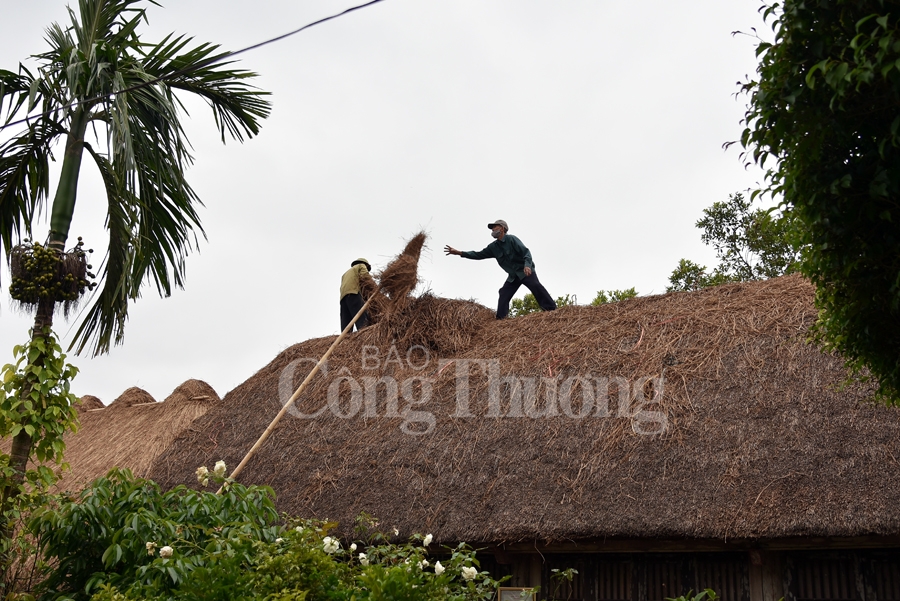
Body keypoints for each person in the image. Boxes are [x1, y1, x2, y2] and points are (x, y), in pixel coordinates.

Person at [444, 220, 557, 319]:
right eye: (492, 229)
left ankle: (552, 310)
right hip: (513, 276)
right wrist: (460, 253)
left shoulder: (512, 239)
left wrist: (527, 265)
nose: (492, 230)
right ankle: (501, 319)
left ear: (502, 229)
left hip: (524, 271)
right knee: (503, 293)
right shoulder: (493, 247)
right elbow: (478, 254)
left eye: (495, 227)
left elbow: (526, 252)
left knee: (536, 286)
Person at [340, 258, 372, 331]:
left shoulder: (345, 274)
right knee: (362, 319)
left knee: (346, 323)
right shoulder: (361, 265)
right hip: (353, 293)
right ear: (366, 265)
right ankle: (364, 335)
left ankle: (345, 340)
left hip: (343, 298)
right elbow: (366, 277)